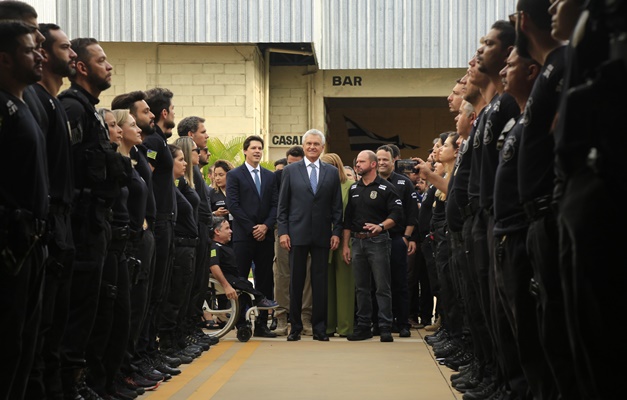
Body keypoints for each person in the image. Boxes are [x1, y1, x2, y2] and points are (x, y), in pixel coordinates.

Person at [514, 1, 578, 398]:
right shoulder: (552, 70)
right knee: (537, 322)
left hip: (551, 213)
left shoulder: (568, 62)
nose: (556, 7)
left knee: (562, 327)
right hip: (533, 218)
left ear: (522, 21)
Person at [58, 36, 127, 399]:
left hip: (95, 228)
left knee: (94, 314)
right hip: (80, 230)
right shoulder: (72, 109)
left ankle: (82, 383)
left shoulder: (90, 112)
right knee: (77, 316)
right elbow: (63, 173)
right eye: (101, 60)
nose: (109, 65)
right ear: (81, 68)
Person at [24, 22, 76, 400]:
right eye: (64, 47)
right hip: (40, 226)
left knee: (56, 323)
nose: (69, 54)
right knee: (36, 329)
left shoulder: (53, 103)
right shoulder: (33, 103)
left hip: (59, 226)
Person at [0, 20, 49, 400]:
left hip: (31, 244)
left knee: (21, 344)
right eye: (30, 49)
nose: (40, 55)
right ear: (4, 59)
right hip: (10, 247)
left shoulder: (25, 104)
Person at [277, 129, 343, 342]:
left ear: (323, 148)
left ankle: (319, 328)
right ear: (304, 146)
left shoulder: (331, 173)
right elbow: (283, 206)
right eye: (309, 144)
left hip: (323, 235)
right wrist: (284, 232)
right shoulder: (290, 170)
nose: (313, 147)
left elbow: (336, 207)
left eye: (317, 144)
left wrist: (336, 232)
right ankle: (295, 327)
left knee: (320, 282)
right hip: (296, 233)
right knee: (296, 281)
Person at [342, 150, 403, 343]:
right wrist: (346, 245)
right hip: (357, 241)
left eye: (361, 162)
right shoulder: (354, 189)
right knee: (361, 287)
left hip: (378, 241)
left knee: (382, 286)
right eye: (357, 162)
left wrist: (381, 226)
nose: (357, 165)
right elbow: (347, 221)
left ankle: (385, 326)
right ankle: (363, 326)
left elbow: (397, 214)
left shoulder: (387, 188)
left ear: (373, 164)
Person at [226, 135, 279, 338]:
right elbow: (233, 205)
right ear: (245, 151)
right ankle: (241, 324)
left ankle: (263, 325)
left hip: (265, 237)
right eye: (253, 148)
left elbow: (275, 204)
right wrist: (252, 228)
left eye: (260, 148)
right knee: (241, 280)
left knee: (265, 281)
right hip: (243, 237)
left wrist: (265, 226)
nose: (257, 151)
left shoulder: (270, 176)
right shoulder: (235, 175)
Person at [141, 87, 179, 365]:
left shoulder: (161, 142)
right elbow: (146, 177)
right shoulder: (153, 142)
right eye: (173, 109)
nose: (174, 113)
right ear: (164, 112)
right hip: (158, 222)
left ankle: (151, 353)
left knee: (161, 292)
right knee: (153, 292)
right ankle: (144, 354)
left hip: (167, 221)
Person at [375, 145, 418, 338]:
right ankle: (379, 322)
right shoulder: (368, 182)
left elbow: (412, 213)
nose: (382, 162)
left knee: (400, 282)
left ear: (394, 161)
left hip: (397, 239)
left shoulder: (404, 183)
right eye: (380, 159)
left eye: (386, 159)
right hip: (374, 240)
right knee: (377, 283)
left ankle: (402, 323)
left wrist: (406, 237)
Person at [272, 145, 314, 336]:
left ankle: (305, 317)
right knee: (282, 275)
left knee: (306, 275)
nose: (291, 168)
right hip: (284, 231)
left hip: (305, 231)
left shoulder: (311, 178)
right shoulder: (278, 177)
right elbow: (277, 206)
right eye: (289, 164)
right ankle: (281, 316)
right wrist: (282, 231)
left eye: (296, 165)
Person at [208, 217, 278, 329]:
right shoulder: (214, 247)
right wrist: (226, 286)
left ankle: (242, 324)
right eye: (227, 228)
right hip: (225, 278)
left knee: (245, 288)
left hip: (233, 277)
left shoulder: (225, 247)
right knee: (245, 285)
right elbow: (213, 266)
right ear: (217, 231)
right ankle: (259, 300)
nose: (231, 231)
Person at [320, 153, 355, 337]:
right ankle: (328, 325)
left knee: (345, 286)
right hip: (322, 240)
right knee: (326, 286)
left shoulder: (350, 187)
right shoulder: (320, 186)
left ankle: (345, 326)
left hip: (343, 239)